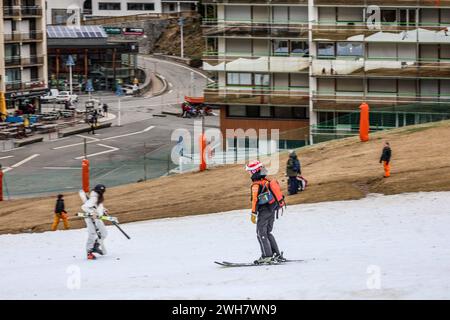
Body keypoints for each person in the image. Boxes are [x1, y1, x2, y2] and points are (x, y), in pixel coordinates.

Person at [246, 160, 287, 265]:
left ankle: (267, 256)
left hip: (264, 211)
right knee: (268, 232)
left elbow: (255, 200)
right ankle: (276, 254)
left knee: (260, 233)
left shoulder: (256, 185)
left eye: (250, 171)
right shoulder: (266, 181)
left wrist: (253, 213)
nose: (249, 174)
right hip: (272, 209)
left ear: (254, 171)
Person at [81, 184, 108, 260]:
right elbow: (84, 207)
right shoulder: (94, 197)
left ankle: (95, 247)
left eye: (102, 191)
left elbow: (96, 206)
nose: (101, 192)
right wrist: (93, 213)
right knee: (92, 234)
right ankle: (89, 252)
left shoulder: (97, 197)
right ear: (97, 191)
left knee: (104, 233)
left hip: (97, 218)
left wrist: (103, 210)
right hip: (90, 218)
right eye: (100, 191)